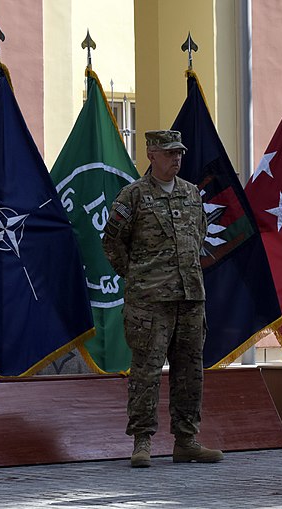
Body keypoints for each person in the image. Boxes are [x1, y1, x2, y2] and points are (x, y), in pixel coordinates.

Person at [102, 129, 223, 468]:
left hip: (190, 296)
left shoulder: (190, 193)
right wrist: (137, 275)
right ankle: (142, 441)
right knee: (147, 371)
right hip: (149, 301)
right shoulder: (133, 196)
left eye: (179, 152)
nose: (177, 158)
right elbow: (112, 241)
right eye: (169, 153)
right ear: (151, 155)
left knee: (190, 371)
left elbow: (198, 233)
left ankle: (187, 440)